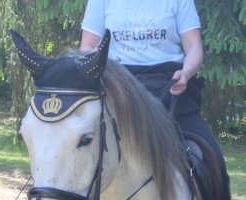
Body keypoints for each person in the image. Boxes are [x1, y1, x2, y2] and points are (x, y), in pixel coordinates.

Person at [79, 0, 230, 199]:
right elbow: (87, 46)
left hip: (171, 88)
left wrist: (185, 72)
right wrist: (106, 73)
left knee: (214, 161)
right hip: (117, 89)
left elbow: (194, 48)